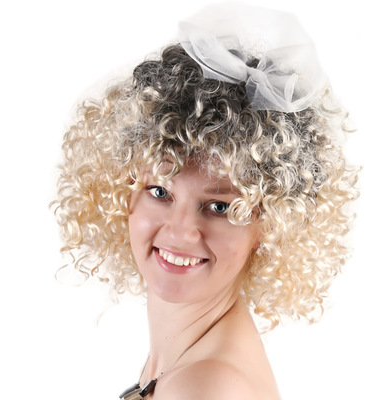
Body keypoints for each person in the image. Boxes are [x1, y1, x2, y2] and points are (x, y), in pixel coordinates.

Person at [53, 4, 358, 399]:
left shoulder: (205, 385)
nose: (180, 232)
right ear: (124, 187)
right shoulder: (183, 360)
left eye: (219, 207)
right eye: (159, 192)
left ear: (269, 224)